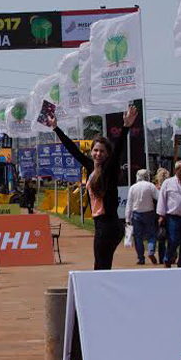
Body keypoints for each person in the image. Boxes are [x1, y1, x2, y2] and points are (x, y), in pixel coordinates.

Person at [48, 106, 137, 270]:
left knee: (100, 267)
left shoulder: (108, 169)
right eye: (95, 150)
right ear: (91, 152)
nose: (98, 154)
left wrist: (126, 127)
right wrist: (55, 128)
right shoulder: (91, 167)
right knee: (103, 265)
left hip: (108, 225)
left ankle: (101, 294)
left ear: (107, 154)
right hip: (103, 225)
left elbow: (117, 151)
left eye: (102, 151)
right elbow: (73, 149)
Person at [125, 169, 158, 265]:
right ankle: (151, 251)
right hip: (149, 213)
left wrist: (127, 219)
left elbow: (129, 204)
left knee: (138, 237)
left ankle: (141, 258)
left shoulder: (132, 188)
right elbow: (159, 197)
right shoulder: (150, 186)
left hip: (136, 215)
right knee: (151, 235)